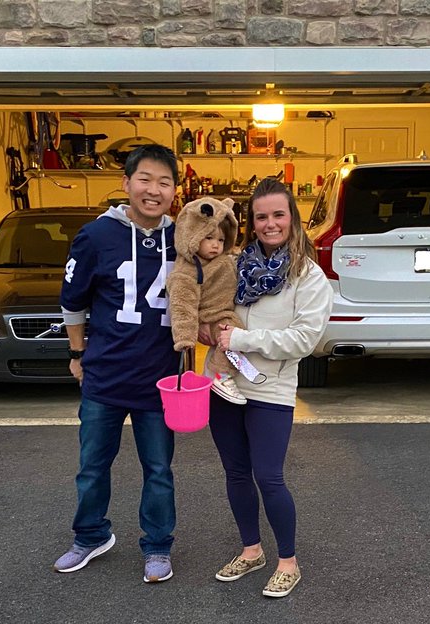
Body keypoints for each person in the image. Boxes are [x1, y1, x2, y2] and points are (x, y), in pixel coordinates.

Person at [53, 144, 180, 583]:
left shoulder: (184, 239)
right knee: (92, 466)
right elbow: (73, 301)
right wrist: (75, 353)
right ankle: (90, 536)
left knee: (159, 469)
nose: (153, 189)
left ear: (174, 191)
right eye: (145, 179)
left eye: (164, 182)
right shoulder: (95, 235)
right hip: (105, 372)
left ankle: (158, 546)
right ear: (126, 184)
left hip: (162, 379)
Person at [210, 177, 332, 598]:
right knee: (236, 473)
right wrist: (211, 330)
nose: (269, 224)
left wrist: (241, 339)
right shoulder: (234, 265)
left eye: (278, 214)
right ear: (251, 221)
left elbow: (305, 339)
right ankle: (251, 551)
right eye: (261, 216)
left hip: (271, 390)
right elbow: (217, 311)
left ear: (292, 219)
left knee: (269, 476)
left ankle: (287, 562)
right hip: (225, 386)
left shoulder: (308, 276)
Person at [166, 195, 249, 405]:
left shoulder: (222, 260)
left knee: (237, 338)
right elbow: (182, 305)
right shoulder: (186, 271)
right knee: (234, 336)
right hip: (213, 318)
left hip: (223, 313)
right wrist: (185, 338)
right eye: (209, 238)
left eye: (221, 240)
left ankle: (225, 372)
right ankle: (219, 375)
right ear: (192, 235)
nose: (216, 245)